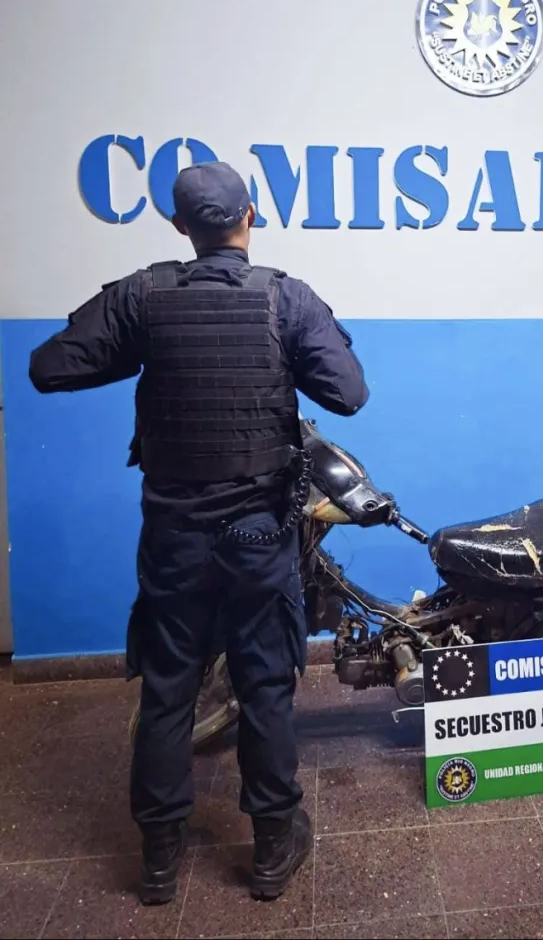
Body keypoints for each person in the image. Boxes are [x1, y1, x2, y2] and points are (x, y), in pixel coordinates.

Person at [29, 161, 369, 905]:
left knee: (168, 689)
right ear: (252, 216)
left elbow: (49, 368)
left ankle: (158, 862)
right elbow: (349, 393)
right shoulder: (284, 298)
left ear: (180, 226)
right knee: (264, 686)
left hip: (174, 538)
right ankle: (272, 849)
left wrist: (142, 343)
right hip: (259, 537)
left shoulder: (143, 297)